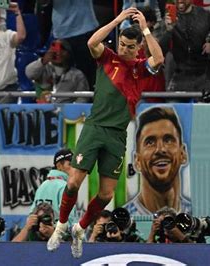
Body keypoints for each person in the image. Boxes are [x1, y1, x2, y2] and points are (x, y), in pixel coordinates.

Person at [46, 7, 164, 259]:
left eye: (130, 47)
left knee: (106, 194)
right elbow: (92, 41)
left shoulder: (141, 68)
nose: (124, 49)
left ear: (138, 47)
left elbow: (160, 59)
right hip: (94, 128)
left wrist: (145, 28)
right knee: (74, 181)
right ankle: (62, 226)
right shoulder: (107, 57)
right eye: (122, 44)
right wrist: (118, 20)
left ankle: (79, 229)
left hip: (117, 136)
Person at [124, 106, 190, 215]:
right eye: (150, 142)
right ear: (137, 161)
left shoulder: (196, 216)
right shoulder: (124, 220)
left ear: (183, 153)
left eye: (168, 140)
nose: (160, 149)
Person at [160, 0, 210, 98]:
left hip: (206, 78)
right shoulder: (168, 19)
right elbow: (160, 51)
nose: (180, 0)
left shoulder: (206, 16)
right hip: (179, 79)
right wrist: (168, 31)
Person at [25, 39, 90, 104]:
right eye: (54, 50)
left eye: (63, 49)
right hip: (44, 109)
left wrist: (72, 110)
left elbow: (83, 97)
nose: (58, 53)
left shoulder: (77, 75)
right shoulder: (43, 69)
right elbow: (29, 74)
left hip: (66, 111)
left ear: (69, 53)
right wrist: (43, 61)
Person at [30, 148, 76, 220]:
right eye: (70, 164)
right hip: (59, 231)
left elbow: (31, 216)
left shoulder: (41, 186)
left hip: (41, 230)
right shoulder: (65, 187)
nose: (74, 169)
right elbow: (70, 220)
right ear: (59, 166)